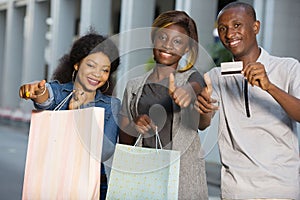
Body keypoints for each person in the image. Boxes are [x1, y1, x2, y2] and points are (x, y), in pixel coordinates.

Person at [195, 2, 300, 199]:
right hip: (235, 190)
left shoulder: (288, 67)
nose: (229, 34)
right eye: (223, 29)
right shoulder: (216, 76)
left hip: (282, 189)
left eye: (237, 25)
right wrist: (203, 110)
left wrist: (269, 86)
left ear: (255, 27)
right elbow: (203, 125)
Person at [19, 31, 121, 200]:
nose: (97, 74)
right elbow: (45, 97)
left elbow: (105, 152)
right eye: (91, 65)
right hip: (51, 180)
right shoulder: (59, 92)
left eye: (105, 70)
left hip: (92, 185)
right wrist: (35, 92)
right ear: (77, 64)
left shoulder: (112, 105)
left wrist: (82, 112)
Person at [119, 10, 208, 199]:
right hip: (143, 176)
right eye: (163, 37)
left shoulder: (191, 79)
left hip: (183, 178)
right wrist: (135, 126)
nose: (168, 45)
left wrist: (188, 91)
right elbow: (124, 139)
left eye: (177, 41)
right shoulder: (134, 86)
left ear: (186, 49)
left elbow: (198, 82)